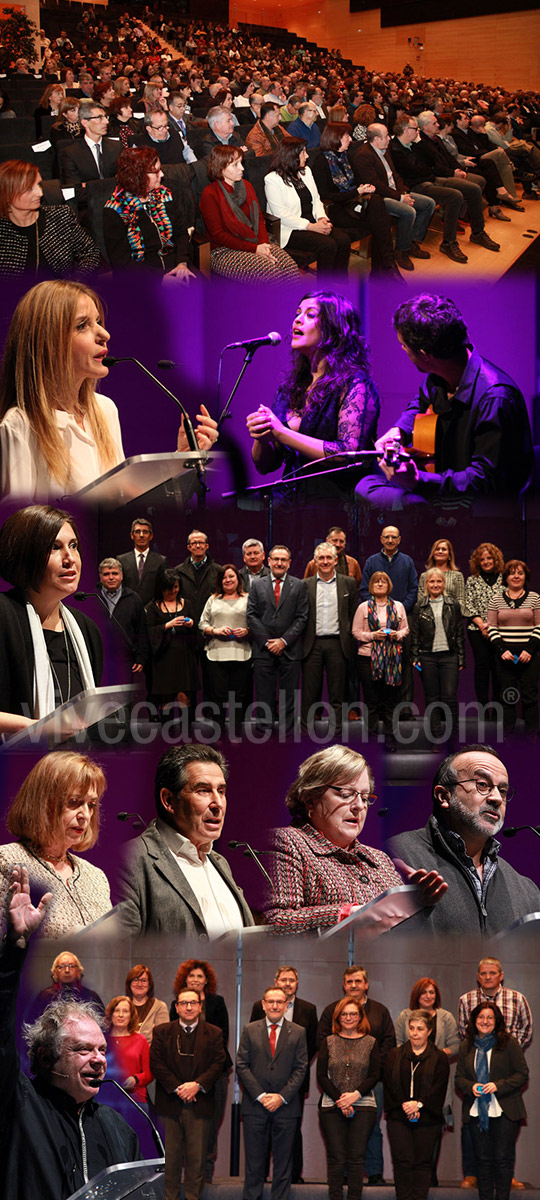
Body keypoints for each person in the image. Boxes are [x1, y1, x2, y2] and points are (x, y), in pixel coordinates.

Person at [0, 280, 217, 499]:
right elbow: (18, 526)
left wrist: (182, 458)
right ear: (49, 342)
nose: (104, 334)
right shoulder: (20, 425)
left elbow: (124, 502)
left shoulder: (105, 409)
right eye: (83, 325)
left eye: (99, 321)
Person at [0, 866, 140, 1199]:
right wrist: (16, 946)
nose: (98, 1060)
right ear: (47, 1056)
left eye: (101, 1050)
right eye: (82, 1049)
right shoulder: (18, 1105)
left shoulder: (119, 1129)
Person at [358, 294, 534, 506]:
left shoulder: (496, 398)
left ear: (424, 355)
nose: (403, 349)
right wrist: (399, 431)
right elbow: (420, 403)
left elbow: (487, 481)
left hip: (478, 507)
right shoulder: (439, 378)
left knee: (399, 501)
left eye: (404, 345)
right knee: (366, 485)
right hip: (443, 488)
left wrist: (418, 480)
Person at [265, 745, 444, 933]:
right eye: (346, 795)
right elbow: (277, 921)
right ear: (310, 798)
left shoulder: (379, 859)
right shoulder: (285, 842)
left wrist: (416, 903)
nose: (359, 806)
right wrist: (350, 914)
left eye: (365, 798)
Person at [388, 744, 540, 934]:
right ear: (444, 796)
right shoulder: (394, 856)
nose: (497, 798)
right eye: (482, 785)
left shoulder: (526, 890)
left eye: (502, 790)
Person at [119, 746, 255, 937]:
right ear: (168, 800)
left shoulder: (220, 863)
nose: (218, 804)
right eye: (203, 790)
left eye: (221, 791)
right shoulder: (131, 860)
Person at [246, 292, 380, 481]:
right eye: (297, 313)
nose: (297, 320)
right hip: (291, 499)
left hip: (335, 500)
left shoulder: (354, 382)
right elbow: (266, 465)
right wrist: (261, 435)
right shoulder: (290, 388)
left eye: (310, 315)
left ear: (333, 328)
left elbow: (348, 453)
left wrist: (281, 433)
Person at [0, 506, 103, 736]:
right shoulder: (4, 616)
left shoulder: (86, 630)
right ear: (25, 554)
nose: (70, 559)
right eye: (55, 547)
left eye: (74, 546)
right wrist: (33, 729)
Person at [0, 751, 111, 939]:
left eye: (91, 805)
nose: (85, 815)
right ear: (43, 803)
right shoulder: (7, 861)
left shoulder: (96, 876)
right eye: (74, 802)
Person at [317, 965, 396, 1187]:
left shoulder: (380, 1010)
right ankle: (343, 1174)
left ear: (366, 984)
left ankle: (374, 1172)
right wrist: (342, 1092)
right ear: (344, 985)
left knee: (371, 1129)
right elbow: (321, 1040)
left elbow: (389, 1042)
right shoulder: (332, 1009)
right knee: (339, 1133)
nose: (354, 985)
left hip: (372, 1082)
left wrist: (370, 1069)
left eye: (358, 981)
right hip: (335, 1084)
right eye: (349, 981)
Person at [458, 957, 532, 1190]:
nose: (488, 977)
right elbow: (463, 1033)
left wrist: (505, 1048)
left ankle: (505, 1180)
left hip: (505, 1076)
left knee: (502, 1154)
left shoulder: (517, 998)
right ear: (477, 976)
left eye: (492, 973)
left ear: (501, 975)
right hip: (477, 1091)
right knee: (482, 1156)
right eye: (483, 973)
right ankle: (475, 1178)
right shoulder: (466, 1000)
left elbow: (526, 1028)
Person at [150, 988, 227, 1200]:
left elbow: (218, 1064)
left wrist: (196, 1085)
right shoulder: (162, 1031)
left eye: (193, 1003)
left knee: (196, 1161)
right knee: (170, 1161)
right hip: (169, 1104)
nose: (189, 1007)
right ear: (176, 1007)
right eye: (184, 1003)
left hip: (199, 1103)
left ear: (200, 1006)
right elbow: (156, 1064)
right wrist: (179, 1088)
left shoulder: (214, 1033)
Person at [236, 986, 308, 1200]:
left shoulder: (298, 1031)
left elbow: (301, 1068)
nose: (275, 1006)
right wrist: (261, 1095)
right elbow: (242, 1065)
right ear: (263, 1004)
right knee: (254, 1164)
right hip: (255, 1107)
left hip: (286, 1107)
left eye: (280, 1002)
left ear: (287, 1005)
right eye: (271, 1002)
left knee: (284, 1165)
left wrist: (281, 1096)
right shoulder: (250, 1029)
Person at [250, 966, 318, 1185]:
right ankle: (261, 1176)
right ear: (276, 981)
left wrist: (294, 1067)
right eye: (284, 980)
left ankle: (293, 1176)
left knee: (291, 1131)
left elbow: (313, 1044)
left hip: (294, 1082)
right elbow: (253, 1043)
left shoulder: (308, 1009)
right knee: (263, 1132)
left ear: (297, 983)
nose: (288, 983)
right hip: (262, 1083)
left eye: (292, 980)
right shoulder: (258, 1008)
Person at [309, 123, 402, 277]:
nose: (350, 140)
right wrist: (356, 192)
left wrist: (364, 188)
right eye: (347, 136)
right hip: (337, 209)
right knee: (380, 221)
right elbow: (325, 196)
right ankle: (386, 266)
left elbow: (357, 182)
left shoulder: (346, 157)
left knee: (377, 207)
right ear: (336, 138)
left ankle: (386, 265)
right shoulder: (322, 162)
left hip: (354, 204)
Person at [199, 145, 299, 281]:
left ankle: (295, 302)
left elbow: (259, 219)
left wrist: (263, 244)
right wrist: (254, 249)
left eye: (241, 162)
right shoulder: (210, 194)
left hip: (256, 241)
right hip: (224, 250)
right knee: (270, 273)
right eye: (235, 165)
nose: (242, 168)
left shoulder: (247, 186)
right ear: (221, 168)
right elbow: (219, 235)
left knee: (290, 268)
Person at [170, 960, 231, 1183]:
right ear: (185, 979)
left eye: (200, 977)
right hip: (184, 1078)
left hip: (215, 1076)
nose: (196, 980)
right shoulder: (175, 1004)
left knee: (209, 1129)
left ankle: (205, 1181)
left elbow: (222, 1038)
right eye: (192, 976)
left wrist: (202, 1080)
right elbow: (172, 1040)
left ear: (207, 981)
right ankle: (186, 1183)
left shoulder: (217, 1003)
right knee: (183, 1131)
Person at [395, 978, 459, 1183]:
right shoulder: (405, 1016)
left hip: (435, 1080)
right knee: (406, 1131)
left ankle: (429, 1175)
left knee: (433, 1125)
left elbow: (456, 1044)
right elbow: (397, 1045)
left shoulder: (446, 1017)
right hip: (408, 1080)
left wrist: (436, 1056)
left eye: (432, 992)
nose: (428, 996)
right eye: (424, 992)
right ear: (417, 995)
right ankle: (411, 1176)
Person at [317, 996, 380, 1200]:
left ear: (360, 1016)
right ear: (338, 1017)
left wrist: (354, 1096)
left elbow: (374, 1075)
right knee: (336, 1157)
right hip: (331, 1105)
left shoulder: (371, 1042)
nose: (349, 1017)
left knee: (356, 1158)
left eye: (353, 1013)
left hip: (363, 1104)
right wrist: (340, 1099)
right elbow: (321, 1075)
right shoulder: (328, 1041)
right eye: (344, 1014)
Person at [350, 123, 435, 270]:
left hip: (395, 192)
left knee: (429, 204)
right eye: (386, 136)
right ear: (376, 139)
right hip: (379, 197)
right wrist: (400, 198)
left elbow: (395, 175)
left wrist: (403, 192)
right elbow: (376, 185)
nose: (389, 138)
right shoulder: (364, 156)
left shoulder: (384, 149)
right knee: (409, 212)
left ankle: (411, 241)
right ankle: (401, 251)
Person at [384, 1011, 450, 1200]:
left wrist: (419, 1104)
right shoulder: (395, 1055)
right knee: (402, 1162)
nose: (414, 1033)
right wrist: (406, 1105)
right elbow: (389, 1084)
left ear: (429, 1031)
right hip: (399, 1115)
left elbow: (439, 1087)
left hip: (428, 1117)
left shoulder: (439, 1057)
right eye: (411, 1028)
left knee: (422, 1162)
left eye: (420, 1029)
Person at [104, 147, 196, 280]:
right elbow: (121, 262)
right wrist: (160, 279)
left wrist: (182, 263)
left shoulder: (165, 195)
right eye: (156, 172)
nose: (162, 175)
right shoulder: (115, 210)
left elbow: (181, 233)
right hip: (142, 276)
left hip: (175, 265)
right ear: (138, 175)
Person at [0, 159, 100, 277]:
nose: (40, 193)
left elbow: (91, 253)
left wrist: (74, 284)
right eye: (29, 189)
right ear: (7, 194)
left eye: (38, 185)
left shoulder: (60, 216)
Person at [247, 544, 308, 733]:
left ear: (289, 563)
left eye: (283, 560)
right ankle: (264, 733)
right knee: (264, 695)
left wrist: (283, 641)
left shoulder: (299, 585)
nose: (279, 563)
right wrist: (267, 642)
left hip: (289, 650)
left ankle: (287, 734)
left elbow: (302, 617)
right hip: (263, 650)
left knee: (288, 695)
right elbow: (251, 615)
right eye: (276, 559)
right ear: (269, 561)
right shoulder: (257, 585)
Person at [264, 139, 351, 272]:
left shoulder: (306, 172)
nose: (307, 156)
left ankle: (339, 284)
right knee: (328, 244)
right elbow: (281, 214)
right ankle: (324, 289)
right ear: (292, 155)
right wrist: (311, 227)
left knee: (343, 240)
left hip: (312, 221)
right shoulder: (272, 180)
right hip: (290, 229)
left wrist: (322, 219)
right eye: (303, 152)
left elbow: (316, 199)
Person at [302, 542, 357, 733]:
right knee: (309, 693)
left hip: (337, 643)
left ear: (335, 560)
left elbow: (351, 615)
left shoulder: (348, 583)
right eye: (321, 558)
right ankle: (306, 732)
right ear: (315, 561)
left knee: (337, 693)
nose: (325, 562)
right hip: (312, 643)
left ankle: (337, 733)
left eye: (329, 558)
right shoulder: (305, 585)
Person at [353, 570, 408, 750]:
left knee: (391, 699)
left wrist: (396, 634)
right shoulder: (363, 607)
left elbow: (405, 629)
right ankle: (371, 739)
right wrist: (372, 636)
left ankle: (391, 737)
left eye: (383, 581)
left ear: (389, 585)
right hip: (367, 657)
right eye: (376, 581)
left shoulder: (398, 606)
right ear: (371, 585)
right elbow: (356, 632)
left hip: (392, 657)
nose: (379, 584)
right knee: (372, 699)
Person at [411, 567, 465, 745]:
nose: (435, 584)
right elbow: (415, 634)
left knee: (449, 697)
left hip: (449, 656)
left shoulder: (453, 604)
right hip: (427, 657)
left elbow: (458, 632)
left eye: (439, 581)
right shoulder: (420, 606)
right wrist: (415, 656)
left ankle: (452, 739)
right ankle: (436, 739)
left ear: (444, 584)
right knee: (432, 698)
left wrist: (461, 657)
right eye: (432, 581)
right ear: (426, 584)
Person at [487, 559, 540, 735]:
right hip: (505, 655)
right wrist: (502, 650)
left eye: (520, 573)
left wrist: (529, 650)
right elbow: (492, 627)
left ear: (526, 577)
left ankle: (532, 737)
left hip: (529, 655)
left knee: (530, 696)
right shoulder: (495, 599)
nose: (516, 576)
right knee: (507, 697)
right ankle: (508, 738)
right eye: (512, 573)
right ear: (506, 577)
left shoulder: (534, 598)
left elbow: (539, 626)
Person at [199, 564, 252, 728]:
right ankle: (219, 731)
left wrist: (247, 630)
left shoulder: (248, 598)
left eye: (231, 576)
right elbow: (202, 623)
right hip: (216, 654)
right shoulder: (213, 599)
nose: (228, 580)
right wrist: (215, 630)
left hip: (241, 653)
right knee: (218, 695)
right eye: (224, 577)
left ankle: (236, 730)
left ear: (238, 579)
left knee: (239, 696)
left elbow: (257, 622)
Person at [145, 567, 198, 717]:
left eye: (176, 587)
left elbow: (196, 628)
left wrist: (191, 624)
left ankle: (186, 732)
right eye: (169, 588)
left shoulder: (186, 604)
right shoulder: (153, 607)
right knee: (166, 699)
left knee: (184, 697)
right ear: (161, 588)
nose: (173, 591)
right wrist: (167, 625)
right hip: (163, 658)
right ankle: (168, 733)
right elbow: (149, 631)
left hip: (184, 658)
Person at [464, 543, 504, 707]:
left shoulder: (505, 578)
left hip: (501, 630)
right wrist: (483, 625)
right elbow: (468, 605)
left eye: (489, 558)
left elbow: (509, 604)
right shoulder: (472, 580)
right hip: (477, 630)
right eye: (482, 559)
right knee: (482, 666)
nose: (486, 562)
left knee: (498, 667)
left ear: (495, 559)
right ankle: (482, 707)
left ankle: (497, 708)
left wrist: (493, 626)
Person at [99, 557, 148, 676]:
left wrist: (140, 657)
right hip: (98, 659)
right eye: (106, 574)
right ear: (100, 577)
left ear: (121, 575)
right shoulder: (91, 598)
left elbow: (141, 630)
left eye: (115, 573)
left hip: (125, 660)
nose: (111, 578)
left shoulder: (134, 598)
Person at [59, 101, 122, 194]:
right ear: (85, 122)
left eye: (105, 117)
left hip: (115, 201)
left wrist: (89, 185)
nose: (106, 122)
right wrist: (109, 184)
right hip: (88, 204)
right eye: (99, 118)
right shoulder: (71, 153)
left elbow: (125, 181)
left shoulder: (116, 146)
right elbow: (75, 190)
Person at [28, 950, 104, 1022]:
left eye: (71, 966)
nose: (67, 970)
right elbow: (32, 1024)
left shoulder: (91, 996)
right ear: (55, 973)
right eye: (61, 966)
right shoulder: (44, 997)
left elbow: (103, 1025)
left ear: (79, 972)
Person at [105, 995, 153, 1106]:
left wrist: (135, 1079)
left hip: (135, 1099)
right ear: (111, 1014)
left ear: (131, 1015)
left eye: (125, 1011)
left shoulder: (140, 1040)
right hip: (107, 1099)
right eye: (117, 1011)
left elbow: (149, 1072)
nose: (121, 1015)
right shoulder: (101, 1039)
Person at [118, 518, 167, 606]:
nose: (141, 535)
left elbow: (162, 589)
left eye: (145, 532)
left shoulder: (161, 560)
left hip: (152, 611)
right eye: (137, 532)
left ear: (151, 536)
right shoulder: (121, 560)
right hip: (127, 609)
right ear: (132, 535)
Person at [125, 964, 169, 1043]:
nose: (139, 984)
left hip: (150, 1054)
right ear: (129, 983)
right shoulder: (121, 1005)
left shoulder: (159, 1007)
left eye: (144, 980)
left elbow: (163, 1038)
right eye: (135, 980)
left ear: (149, 984)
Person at [418, 540, 465, 610]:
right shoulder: (424, 576)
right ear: (433, 554)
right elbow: (421, 600)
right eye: (437, 549)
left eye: (444, 549)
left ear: (449, 554)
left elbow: (461, 601)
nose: (440, 551)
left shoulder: (457, 576)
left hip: (452, 617)